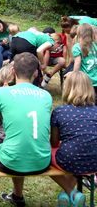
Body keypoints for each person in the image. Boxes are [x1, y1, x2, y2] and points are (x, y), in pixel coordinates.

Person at [0, 53, 52, 207]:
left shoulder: (1, 93)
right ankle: (17, 195)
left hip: (11, 161)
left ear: (13, 71)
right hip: (42, 161)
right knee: (17, 143)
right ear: (36, 72)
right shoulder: (46, 96)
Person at [50, 71, 97, 206]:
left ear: (67, 88)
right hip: (94, 161)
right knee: (77, 150)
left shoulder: (60, 111)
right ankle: (67, 196)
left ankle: (71, 192)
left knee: (43, 156)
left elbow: (54, 142)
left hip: (70, 159)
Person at [72, 24, 97, 99]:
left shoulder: (77, 47)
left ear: (78, 33)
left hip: (84, 82)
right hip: (96, 81)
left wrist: (74, 77)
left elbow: (77, 64)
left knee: (86, 102)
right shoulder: (95, 45)